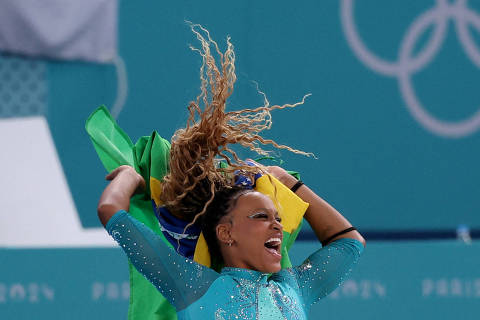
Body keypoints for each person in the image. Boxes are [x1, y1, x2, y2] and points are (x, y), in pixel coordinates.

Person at [96, 24, 365, 319]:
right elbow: (112, 212)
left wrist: (289, 183)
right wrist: (129, 177)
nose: (277, 225)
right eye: (261, 217)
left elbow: (349, 242)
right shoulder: (193, 286)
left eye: (277, 217)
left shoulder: (296, 287)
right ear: (226, 232)